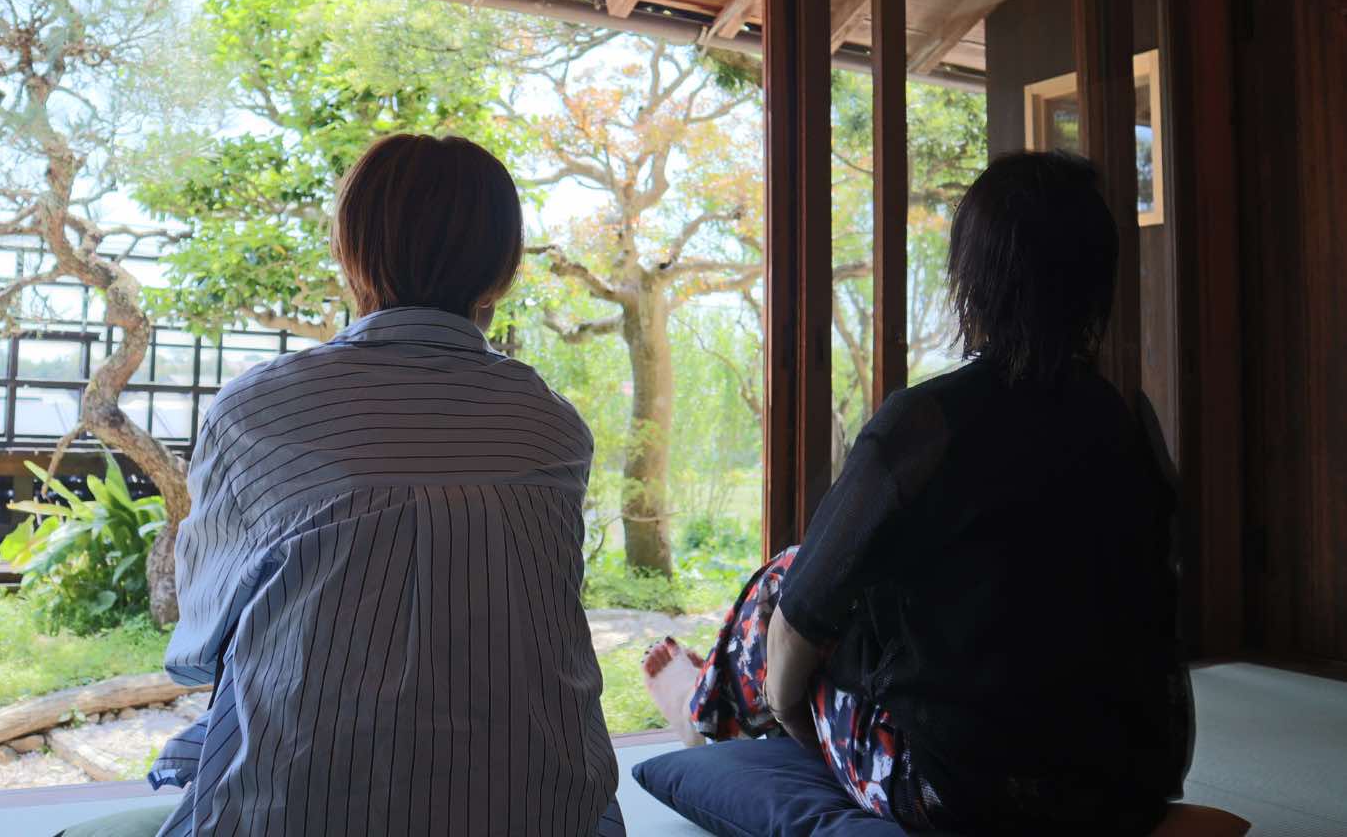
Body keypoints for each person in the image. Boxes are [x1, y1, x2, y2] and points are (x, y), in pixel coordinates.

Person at [62, 134, 620, 837]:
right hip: (546, 813)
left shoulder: (257, 409)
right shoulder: (552, 425)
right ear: (502, 273)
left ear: (350, 255)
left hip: (293, 814)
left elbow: (200, 646)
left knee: (208, 748)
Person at [642, 151, 1191, 835]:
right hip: (1124, 780)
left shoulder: (925, 424)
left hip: (963, 789)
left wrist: (794, 720)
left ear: (974, 281)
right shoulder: (1130, 422)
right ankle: (706, 699)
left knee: (786, 580)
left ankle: (701, 717)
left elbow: (796, 625)